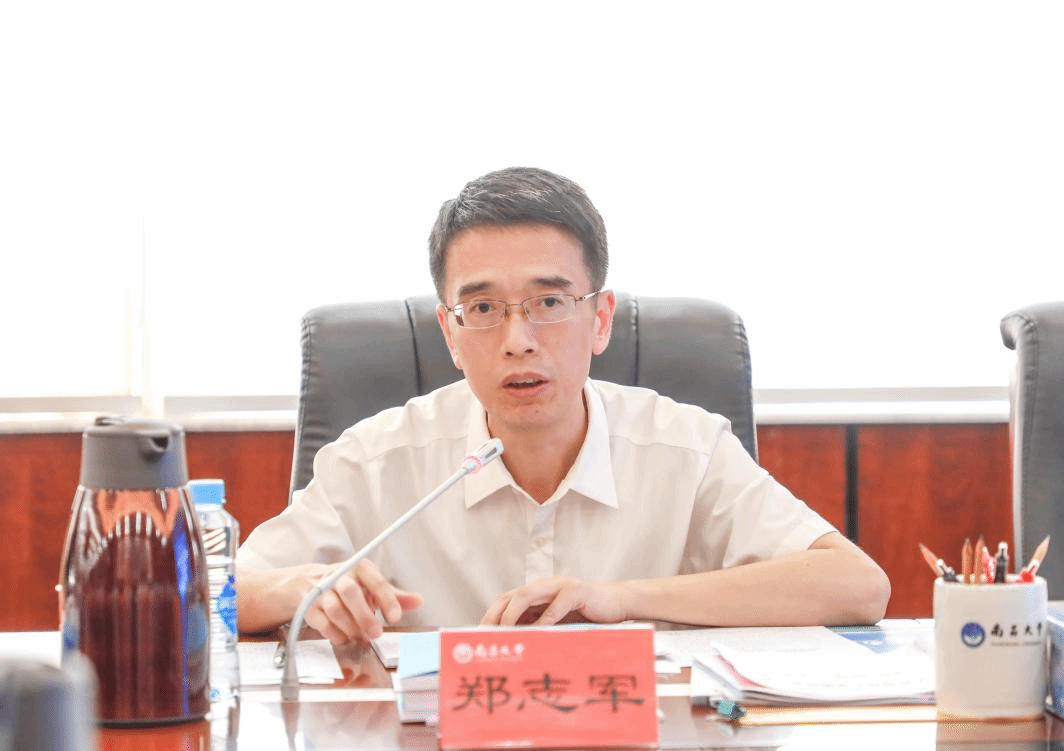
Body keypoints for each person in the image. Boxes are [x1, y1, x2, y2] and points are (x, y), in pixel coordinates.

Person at [236, 167, 891, 644]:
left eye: (549, 302)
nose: (518, 340)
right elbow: (216, 598)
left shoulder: (685, 448)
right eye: (483, 308)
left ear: (600, 319)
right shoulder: (374, 461)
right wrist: (301, 587)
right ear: (450, 334)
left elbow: (857, 585)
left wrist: (621, 599)